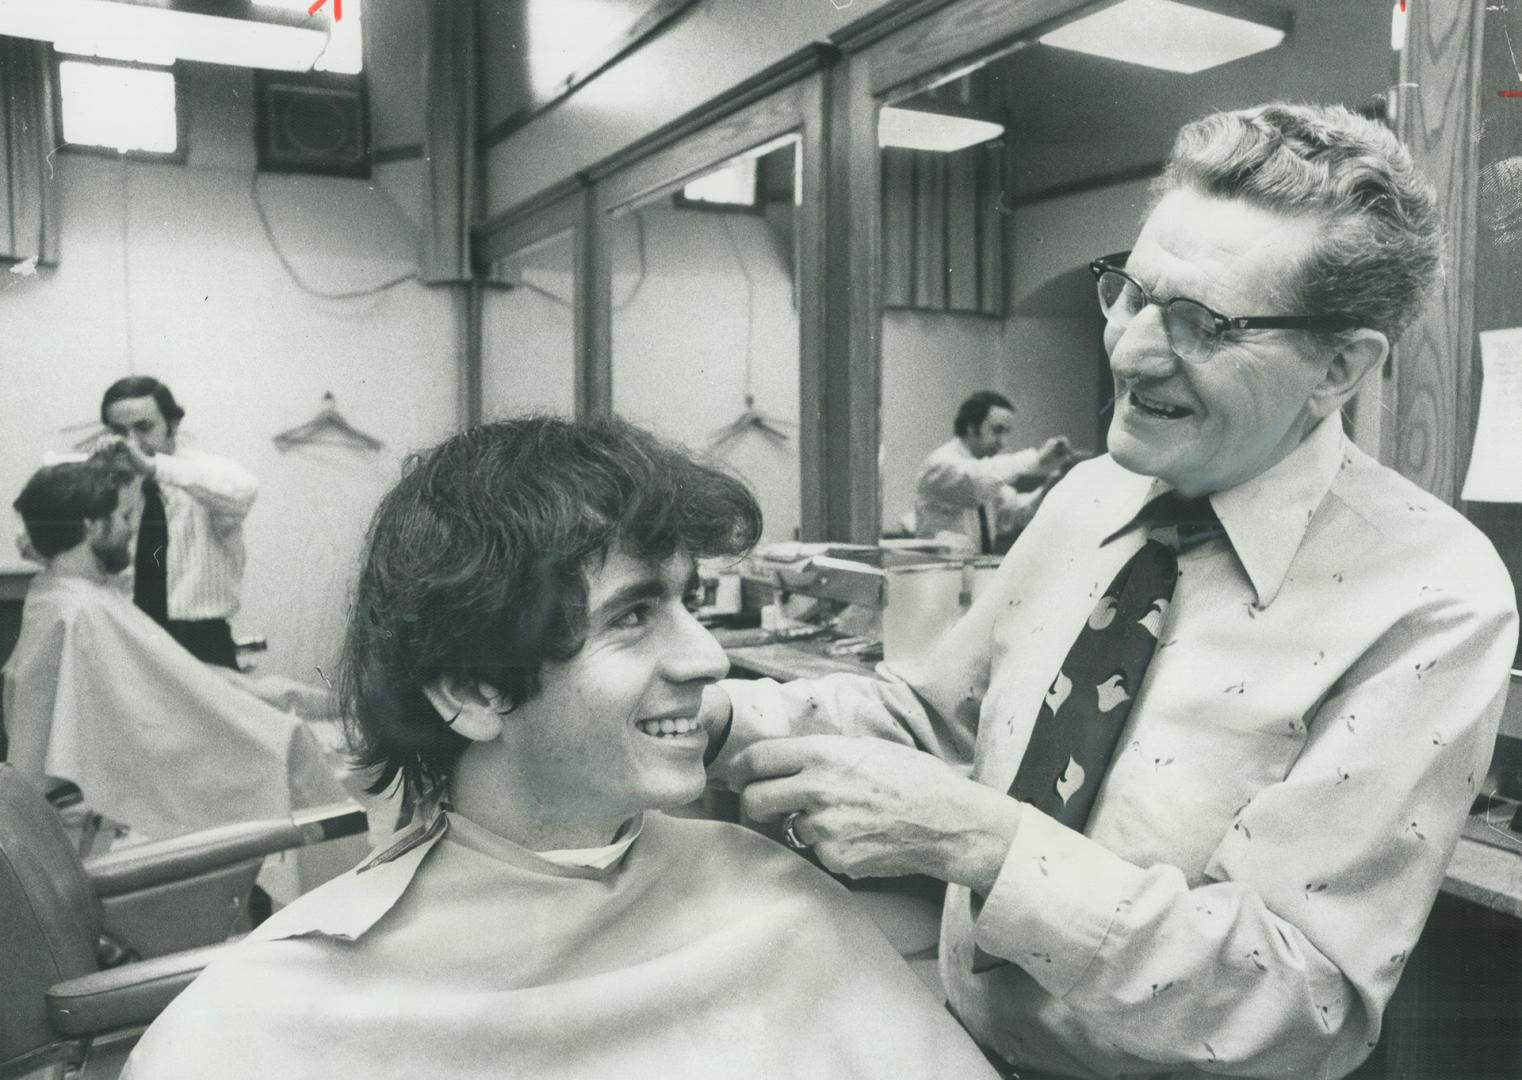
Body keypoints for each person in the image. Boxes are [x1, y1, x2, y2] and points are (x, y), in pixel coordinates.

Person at [703, 103, 1519, 1080]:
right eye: (1130, 293)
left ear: (1338, 366)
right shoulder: (1088, 496)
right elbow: (931, 718)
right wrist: (706, 715)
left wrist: (983, 843)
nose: (1129, 352)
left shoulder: (1429, 598)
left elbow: (1297, 1001)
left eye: (1202, 325)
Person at [123, 416, 999, 1080]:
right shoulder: (266, 1017)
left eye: (690, 602)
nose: (706, 657)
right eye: (632, 616)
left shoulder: (778, 905)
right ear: (470, 689)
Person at [4, 454, 355, 885]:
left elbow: (161, 691)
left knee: (287, 731)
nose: (132, 529)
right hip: (93, 811)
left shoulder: (62, 597)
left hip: (76, 800)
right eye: (124, 515)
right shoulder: (79, 613)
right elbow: (154, 718)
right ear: (91, 526)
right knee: (291, 751)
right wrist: (267, 729)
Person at [99, 375, 258, 668]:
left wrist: (155, 468)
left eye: (144, 427)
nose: (132, 442)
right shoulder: (111, 484)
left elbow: (245, 490)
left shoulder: (205, 472)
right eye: (120, 431)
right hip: (130, 635)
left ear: (172, 424)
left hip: (202, 640)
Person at [915, 390, 1072, 552]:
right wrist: (1037, 458)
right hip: (938, 574)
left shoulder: (986, 475)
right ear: (971, 427)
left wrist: (1049, 489)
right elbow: (976, 480)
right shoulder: (941, 463)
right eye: (997, 430)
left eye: (1006, 433)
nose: (1003, 442)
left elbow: (1016, 512)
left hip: (971, 571)